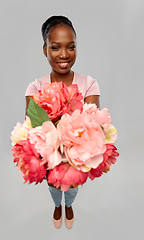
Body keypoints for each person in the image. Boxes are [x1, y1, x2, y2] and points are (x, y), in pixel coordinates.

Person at [25, 16, 100, 229]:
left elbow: (95, 126)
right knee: (53, 188)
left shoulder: (89, 84)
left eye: (71, 46)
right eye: (55, 47)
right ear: (44, 49)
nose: (64, 55)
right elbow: (32, 131)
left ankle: (69, 205)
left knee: (73, 188)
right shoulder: (34, 88)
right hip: (50, 159)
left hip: (77, 158)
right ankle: (58, 206)